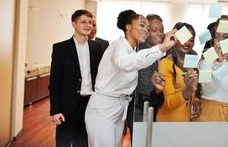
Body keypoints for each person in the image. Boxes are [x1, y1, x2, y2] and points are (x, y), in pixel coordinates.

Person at [85, 10, 177, 147]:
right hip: (104, 108)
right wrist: (161, 48)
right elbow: (126, 63)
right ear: (128, 27)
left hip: (119, 108)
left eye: (147, 27)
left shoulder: (132, 51)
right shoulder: (119, 45)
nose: (145, 30)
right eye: (141, 25)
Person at [49, 10, 103, 147]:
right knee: (63, 143)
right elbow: (54, 83)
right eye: (83, 22)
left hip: (90, 105)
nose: (88, 25)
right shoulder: (60, 48)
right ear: (74, 24)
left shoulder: (97, 48)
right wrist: (55, 110)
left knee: (84, 143)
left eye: (90, 22)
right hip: (67, 107)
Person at [195, 16, 228, 122]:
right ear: (212, 39)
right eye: (217, 36)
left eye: (225, 37)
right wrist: (219, 63)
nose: (221, 40)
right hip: (209, 114)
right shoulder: (205, 60)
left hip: (226, 114)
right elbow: (208, 88)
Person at [156, 22, 200, 122]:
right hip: (169, 121)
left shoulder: (191, 61)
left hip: (185, 120)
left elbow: (194, 89)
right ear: (175, 39)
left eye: (191, 40)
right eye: (184, 38)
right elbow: (169, 102)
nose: (188, 43)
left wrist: (195, 100)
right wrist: (188, 90)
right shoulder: (166, 63)